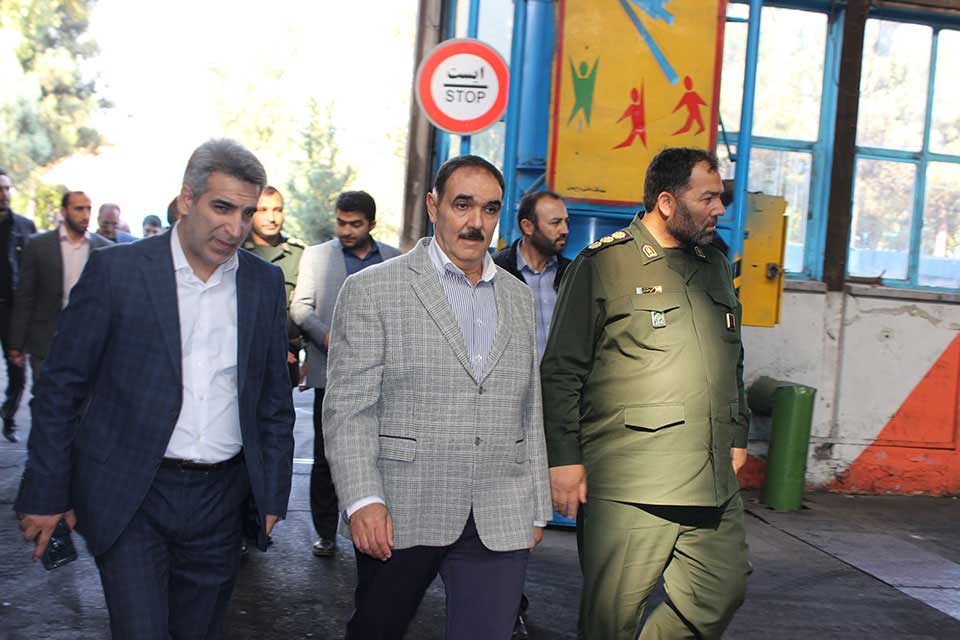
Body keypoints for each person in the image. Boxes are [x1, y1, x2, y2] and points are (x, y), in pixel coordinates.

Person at [14, 139, 296, 639]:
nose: (235, 228)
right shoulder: (118, 272)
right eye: (222, 208)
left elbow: (273, 398)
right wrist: (45, 490)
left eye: (247, 212)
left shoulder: (263, 283)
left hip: (222, 501)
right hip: (132, 495)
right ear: (187, 199)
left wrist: (272, 491)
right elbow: (61, 387)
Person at [323, 155, 552, 640]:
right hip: (401, 507)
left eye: (489, 209)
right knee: (376, 632)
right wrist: (363, 499)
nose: (476, 222)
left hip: (498, 508)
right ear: (433, 206)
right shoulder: (372, 290)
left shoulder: (517, 296)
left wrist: (535, 504)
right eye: (462, 205)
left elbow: (527, 405)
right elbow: (349, 409)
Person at [542, 147, 751, 640]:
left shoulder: (715, 265)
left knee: (721, 590)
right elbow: (561, 370)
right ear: (666, 202)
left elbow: (733, 358)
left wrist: (738, 432)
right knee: (610, 619)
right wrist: (563, 458)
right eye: (707, 198)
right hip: (630, 481)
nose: (720, 209)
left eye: (720, 197)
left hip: (711, 477)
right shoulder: (604, 264)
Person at [290, 190, 400, 557]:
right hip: (332, 372)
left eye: (355, 224)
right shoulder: (317, 256)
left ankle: (373, 526)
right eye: (341, 223)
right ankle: (325, 532)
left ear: (372, 224)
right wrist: (326, 338)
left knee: (378, 453)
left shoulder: (393, 258)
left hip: (383, 376)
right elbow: (300, 308)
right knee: (327, 456)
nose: (347, 230)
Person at [8, 192, 110, 386]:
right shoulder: (39, 245)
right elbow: (25, 296)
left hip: (88, 343)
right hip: (45, 340)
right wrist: (16, 344)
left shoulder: (104, 249)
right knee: (44, 395)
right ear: (64, 211)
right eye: (78, 209)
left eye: (88, 209)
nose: (85, 215)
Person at [241, 185, 306, 387]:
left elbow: (309, 306)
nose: (271, 218)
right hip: (244, 355)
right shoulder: (234, 252)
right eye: (263, 210)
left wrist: (310, 357)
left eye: (277, 210)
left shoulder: (299, 254)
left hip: (288, 359)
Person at [0, 169, 36, 442]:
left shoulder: (24, 227)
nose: (3, 194)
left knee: (18, 372)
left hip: (12, 310)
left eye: (6, 188)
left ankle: (9, 416)